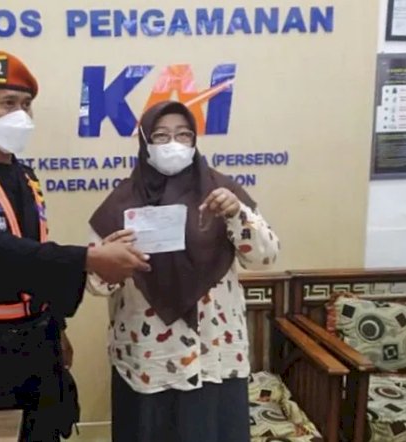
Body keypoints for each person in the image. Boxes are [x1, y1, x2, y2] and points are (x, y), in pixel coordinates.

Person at [0, 50, 150, 442]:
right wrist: (88, 258)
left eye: (26, 105)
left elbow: (34, 252)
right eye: (8, 103)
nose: (20, 114)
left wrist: (57, 326)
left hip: (38, 343)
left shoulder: (25, 176)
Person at [87, 101, 280, 442]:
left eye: (183, 134)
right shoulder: (122, 201)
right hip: (148, 356)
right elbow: (95, 284)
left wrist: (237, 214)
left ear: (194, 141)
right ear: (145, 142)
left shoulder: (223, 192)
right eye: (161, 136)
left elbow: (265, 257)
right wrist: (111, 259)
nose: (173, 144)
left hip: (213, 352)